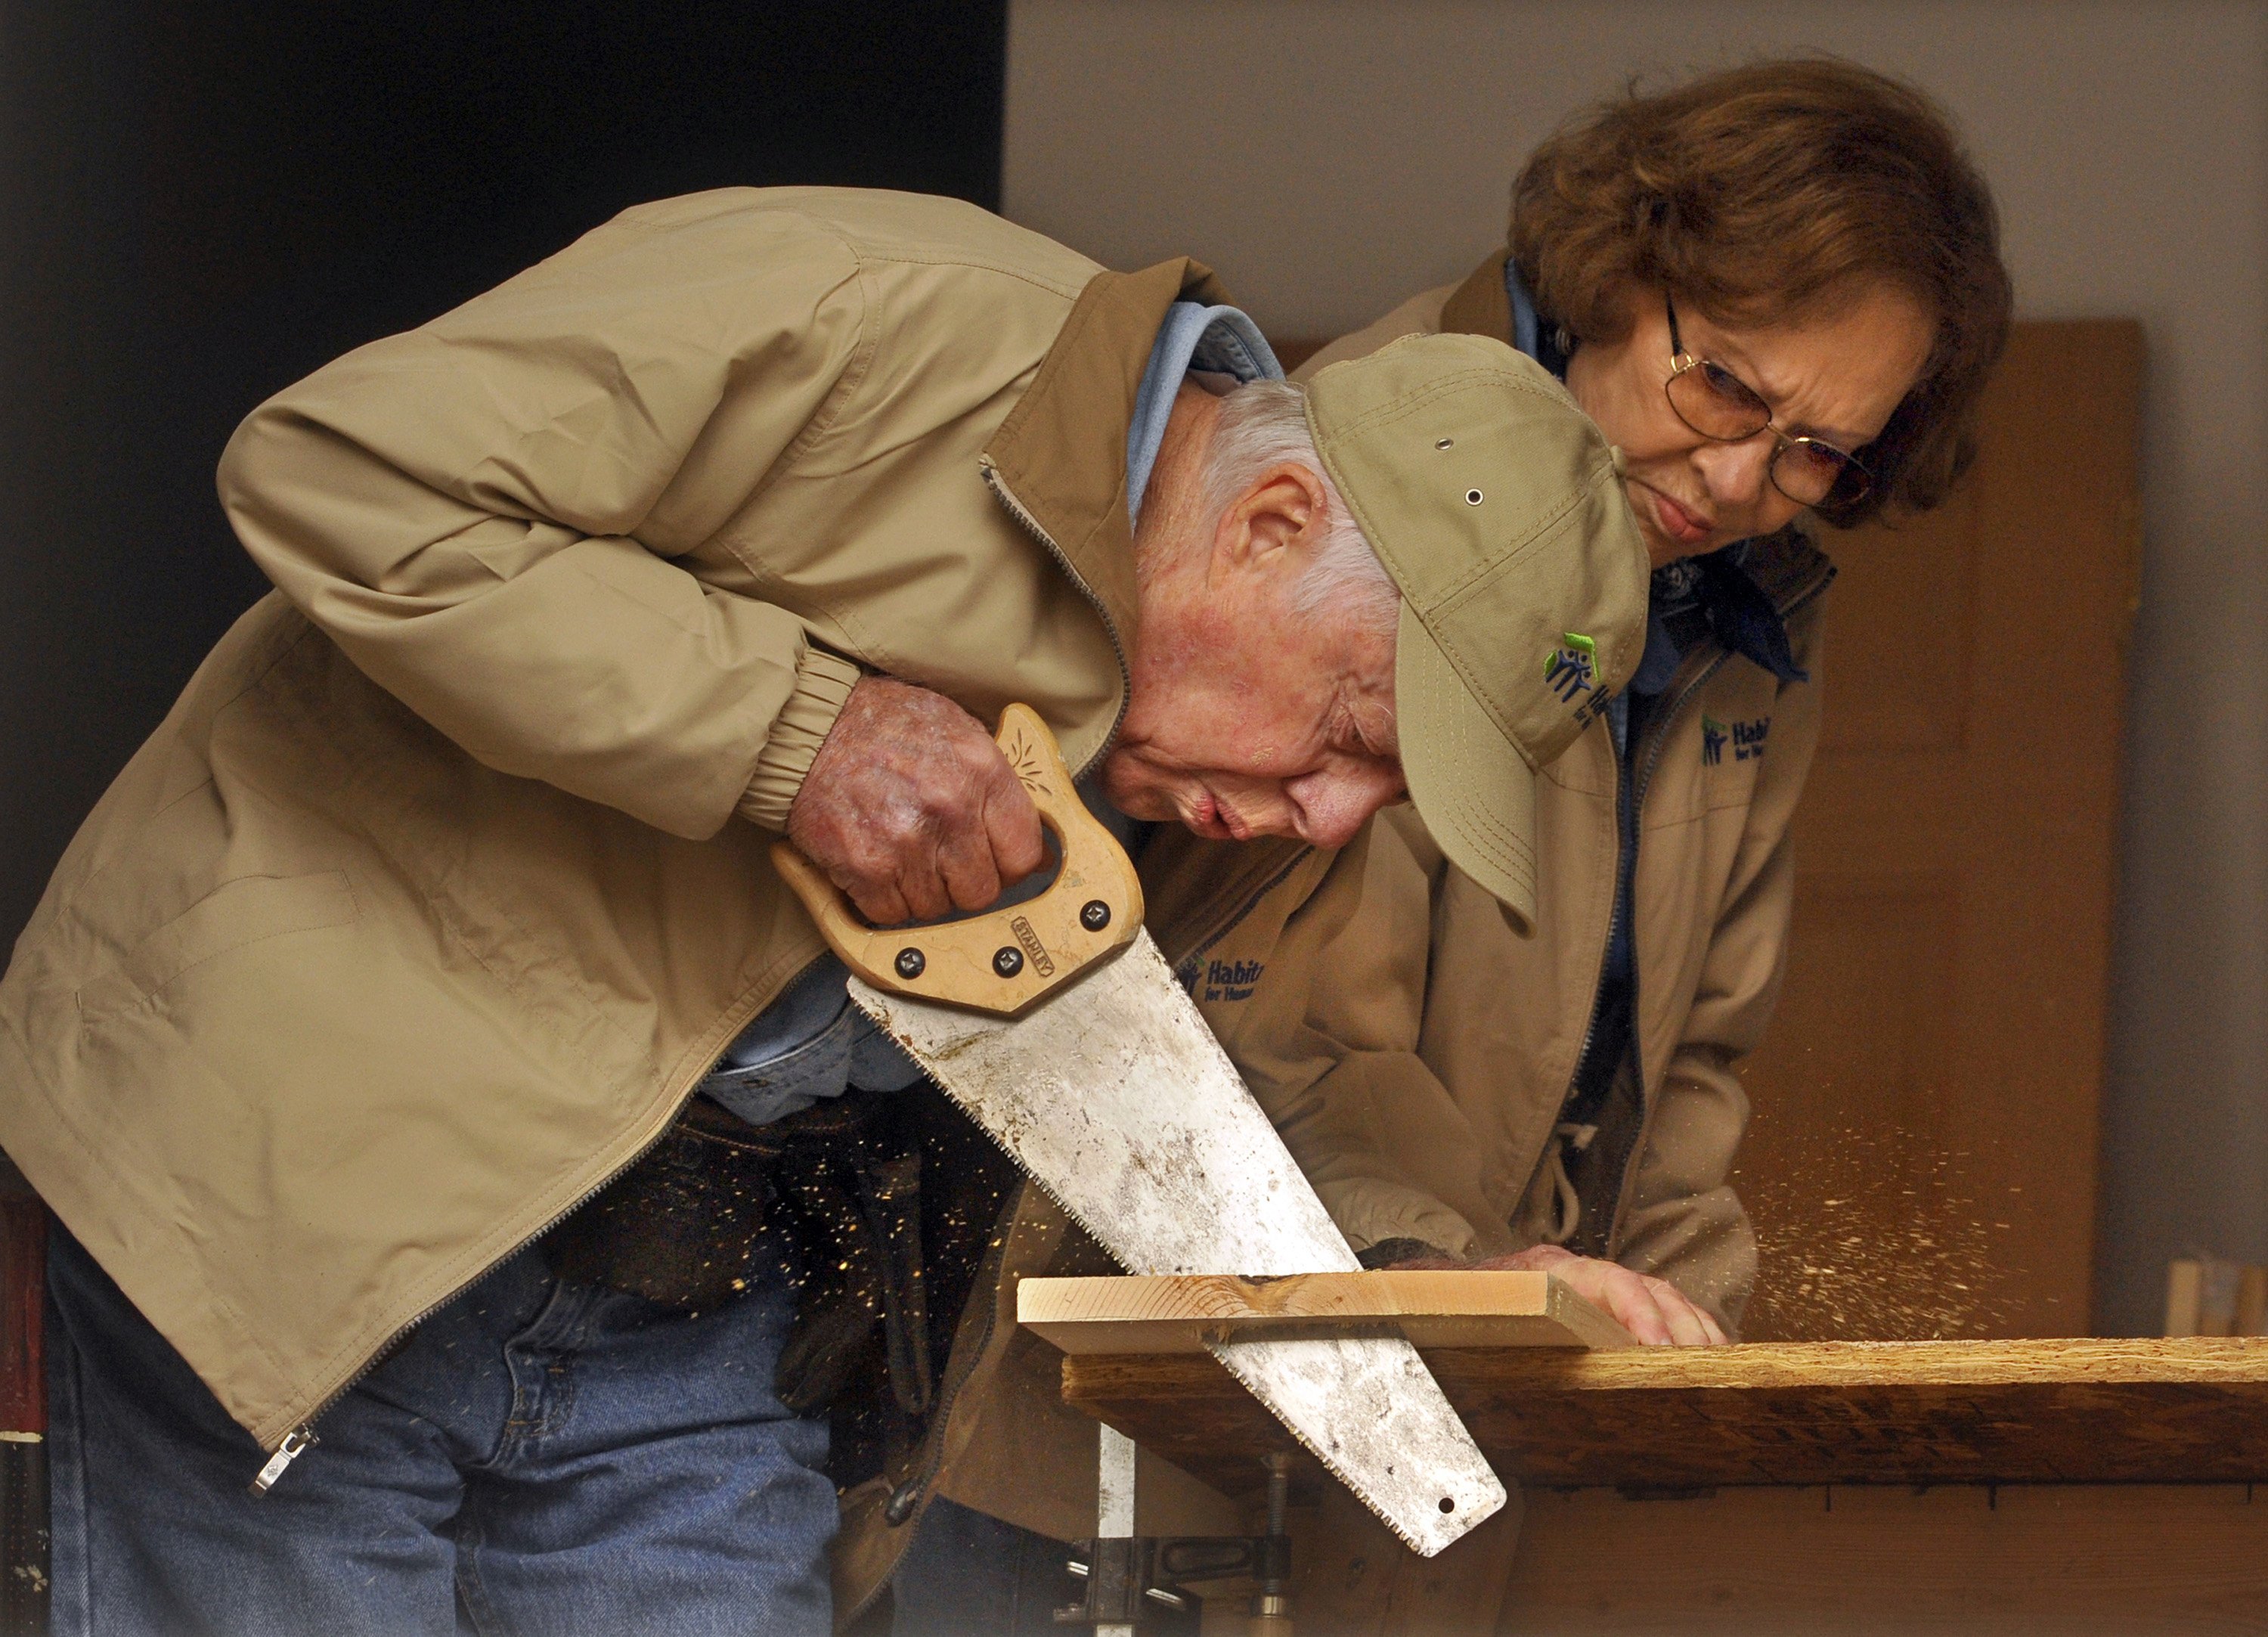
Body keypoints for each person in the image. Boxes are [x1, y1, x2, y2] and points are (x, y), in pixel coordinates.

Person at [0, 185, 1649, 1634]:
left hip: (692, 1309)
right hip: (308, 1200)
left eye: (1388, 796)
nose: (1333, 818)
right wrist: (801, 732)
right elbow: (335, 471)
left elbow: (1233, 1074)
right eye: (1356, 740)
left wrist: (1440, 1270)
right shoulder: (872, 311)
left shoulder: (1201, 741)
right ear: (1272, 523)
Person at [1267, 57, 2013, 1348]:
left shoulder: (1753, 585)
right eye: (1725, 384)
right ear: (1614, 274)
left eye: (1819, 451)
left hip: (1491, 1327)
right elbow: (1289, 1037)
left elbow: (1694, 1059)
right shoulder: (1381, 471)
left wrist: (1690, 1348)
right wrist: (1482, 1280)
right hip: (1283, 1327)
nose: (1735, 480)